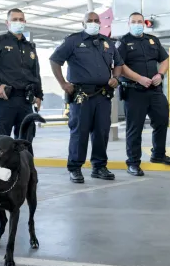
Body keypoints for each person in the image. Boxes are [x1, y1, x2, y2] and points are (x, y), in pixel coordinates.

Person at [50, 12, 122, 183]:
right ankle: (75, 168)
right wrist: (63, 84)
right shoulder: (73, 41)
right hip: (81, 95)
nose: (93, 23)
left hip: (103, 95)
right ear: (83, 23)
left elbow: (119, 63)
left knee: (101, 132)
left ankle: (99, 167)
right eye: (89, 21)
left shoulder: (107, 43)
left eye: (96, 21)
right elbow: (55, 60)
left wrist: (116, 78)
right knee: (79, 132)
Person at [117, 12, 170, 176]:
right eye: (133, 22)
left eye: (139, 21)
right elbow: (120, 66)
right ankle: (133, 163)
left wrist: (160, 75)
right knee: (134, 128)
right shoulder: (123, 42)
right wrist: (139, 79)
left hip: (155, 90)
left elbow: (164, 60)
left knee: (161, 120)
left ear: (143, 23)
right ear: (128, 24)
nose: (137, 24)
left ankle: (158, 155)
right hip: (134, 91)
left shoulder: (153, 40)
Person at [0, 8, 43, 138]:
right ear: (7, 23)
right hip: (4, 100)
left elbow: (35, 73)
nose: (18, 22)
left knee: (25, 143)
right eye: (14, 19)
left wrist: (38, 94)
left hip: (25, 101)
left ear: (25, 22)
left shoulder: (30, 47)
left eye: (21, 19)